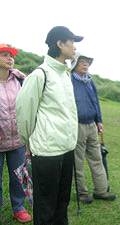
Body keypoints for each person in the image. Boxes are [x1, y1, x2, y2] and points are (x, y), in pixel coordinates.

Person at [16, 26, 83, 225]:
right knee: (46, 207)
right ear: (60, 44)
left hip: (67, 149)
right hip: (46, 153)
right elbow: (24, 114)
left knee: (62, 204)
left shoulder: (66, 74)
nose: (75, 47)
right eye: (72, 42)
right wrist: (29, 142)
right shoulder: (40, 75)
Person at [70, 53, 116, 204]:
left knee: (96, 158)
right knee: (78, 161)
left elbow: (95, 101)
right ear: (75, 63)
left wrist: (99, 120)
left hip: (91, 125)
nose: (85, 65)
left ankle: (101, 191)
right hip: (76, 125)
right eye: (82, 62)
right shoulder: (69, 80)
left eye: (88, 63)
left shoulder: (90, 81)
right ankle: (82, 193)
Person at [0, 44, 32, 223]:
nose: (9, 58)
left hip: (17, 140)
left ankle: (18, 207)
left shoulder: (20, 80)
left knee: (18, 176)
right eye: (4, 55)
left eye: (11, 56)